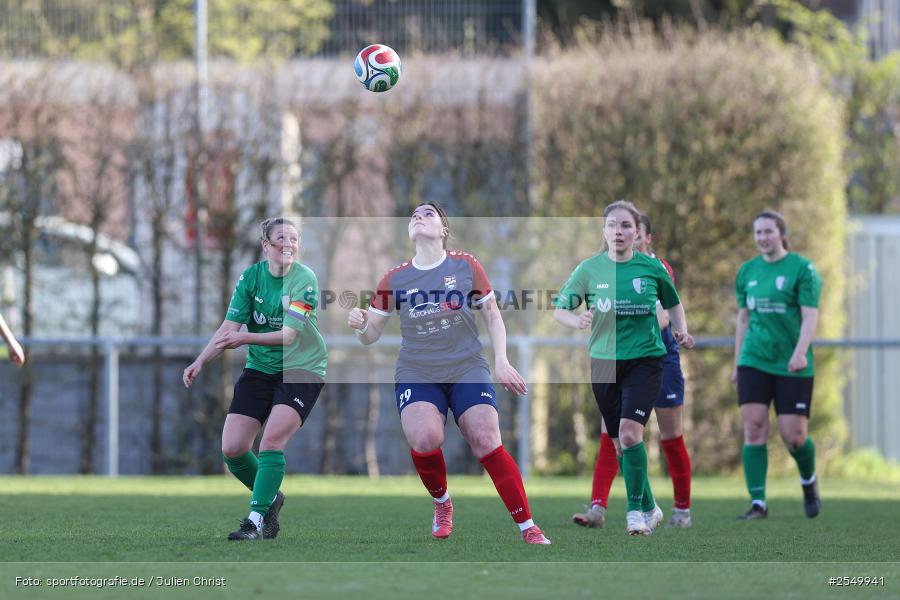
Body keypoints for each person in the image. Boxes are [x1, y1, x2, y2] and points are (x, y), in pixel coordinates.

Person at [347, 202, 550, 545]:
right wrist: (359, 327)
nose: (418, 217)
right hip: (418, 370)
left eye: (428, 214)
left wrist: (501, 360)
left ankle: (528, 526)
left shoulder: (465, 265)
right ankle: (442, 503)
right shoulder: (394, 278)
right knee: (425, 439)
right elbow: (371, 336)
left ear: (443, 229)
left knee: (486, 438)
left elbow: (493, 317)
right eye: (414, 215)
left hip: (466, 365)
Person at [554, 200, 695, 536]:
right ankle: (650, 506)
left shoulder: (652, 268)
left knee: (631, 434)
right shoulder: (588, 269)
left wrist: (682, 329)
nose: (619, 231)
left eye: (626, 226)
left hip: (645, 360)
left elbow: (673, 303)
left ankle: (635, 513)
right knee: (618, 444)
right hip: (603, 362)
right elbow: (560, 309)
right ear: (603, 231)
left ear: (638, 232)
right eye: (612, 225)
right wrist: (578, 319)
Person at [183, 217, 327, 540]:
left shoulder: (304, 279)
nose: (289, 244)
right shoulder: (250, 278)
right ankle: (271, 497)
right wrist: (200, 361)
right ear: (266, 245)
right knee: (233, 448)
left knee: (272, 441)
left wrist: (245, 339)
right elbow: (228, 328)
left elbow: (288, 336)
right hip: (260, 369)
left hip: (301, 368)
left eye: (294, 238)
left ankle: (254, 520)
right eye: (281, 238)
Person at [733, 210, 821, 520]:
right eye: (757, 232)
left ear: (781, 234)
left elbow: (810, 315)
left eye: (768, 231)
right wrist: (737, 363)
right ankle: (758, 503)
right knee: (754, 427)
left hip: (792, 363)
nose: (762, 238)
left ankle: (808, 482)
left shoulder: (802, 269)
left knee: (793, 436)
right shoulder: (747, 272)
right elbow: (743, 318)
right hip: (754, 359)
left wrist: (800, 352)